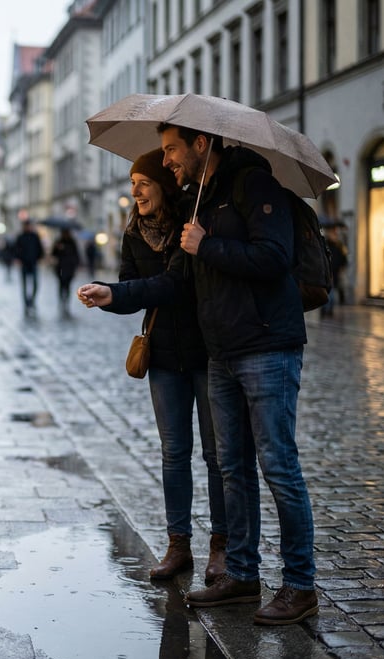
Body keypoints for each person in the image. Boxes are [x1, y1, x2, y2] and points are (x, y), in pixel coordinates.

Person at [160, 122, 317, 625]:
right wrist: (117, 294)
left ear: (201, 144)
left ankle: (300, 585)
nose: (167, 162)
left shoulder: (256, 185)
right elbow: (182, 278)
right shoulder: (201, 197)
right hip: (221, 353)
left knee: (279, 466)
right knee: (233, 468)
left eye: (171, 150)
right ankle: (242, 575)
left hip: (267, 346)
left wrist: (206, 245)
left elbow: (275, 258)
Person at [77, 149, 227, 586]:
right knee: (173, 453)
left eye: (143, 182)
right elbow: (131, 289)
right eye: (131, 184)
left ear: (164, 183)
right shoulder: (134, 232)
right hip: (162, 355)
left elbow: (175, 283)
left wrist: (117, 292)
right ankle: (178, 544)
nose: (135, 191)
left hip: (205, 349)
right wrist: (105, 296)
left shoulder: (192, 225)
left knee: (216, 456)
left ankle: (220, 547)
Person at [14, 219, 44, 316]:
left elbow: (39, 248)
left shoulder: (35, 236)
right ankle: (26, 303)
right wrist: (18, 258)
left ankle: (32, 300)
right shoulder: (20, 237)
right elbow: (16, 249)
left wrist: (39, 257)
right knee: (24, 286)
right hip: (24, 264)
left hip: (33, 263)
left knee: (35, 284)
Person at [320, 222, 348, 317]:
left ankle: (328, 310)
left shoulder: (339, 246)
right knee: (329, 293)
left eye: (335, 232)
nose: (334, 234)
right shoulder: (324, 244)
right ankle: (325, 310)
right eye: (332, 232)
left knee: (331, 293)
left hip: (335, 273)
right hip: (325, 273)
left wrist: (342, 269)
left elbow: (343, 259)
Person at [51, 228, 80, 316]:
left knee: (67, 286)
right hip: (60, 268)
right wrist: (57, 248)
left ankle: (66, 301)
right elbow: (53, 253)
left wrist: (76, 266)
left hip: (70, 268)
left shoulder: (72, 242)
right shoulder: (58, 241)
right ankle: (61, 301)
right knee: (61, 285)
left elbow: (76, 255)